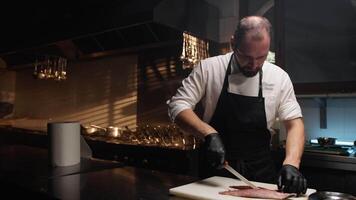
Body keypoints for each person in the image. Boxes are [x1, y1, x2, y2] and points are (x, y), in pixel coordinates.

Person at [167, 16, 307, 195]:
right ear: (233, 43)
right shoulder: (210, 68)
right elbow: (178, 105)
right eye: (246, 57)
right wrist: (208, 133)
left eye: (261, 57)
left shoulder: (279, 77)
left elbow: (294, 123)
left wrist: (291, 163)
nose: (254, 64)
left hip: (260, 170)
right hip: (215, 171)